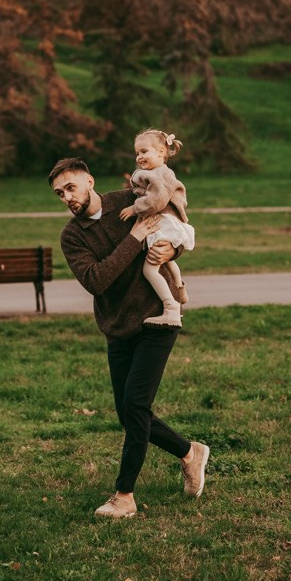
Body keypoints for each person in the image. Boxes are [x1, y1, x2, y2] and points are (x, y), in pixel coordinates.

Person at [49, 156, 209, 519]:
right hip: (117, 327)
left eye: (71, 187)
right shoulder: (72, 236)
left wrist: (173, 249)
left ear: (89, 182)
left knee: (136, 406)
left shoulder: (130, 200)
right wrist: (134, 238)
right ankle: (190, 452)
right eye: (60, 193)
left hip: (157, 318)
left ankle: (124, 495)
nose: (67, 197)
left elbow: (174, 223)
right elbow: (96, 280)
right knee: (128, 414)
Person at [119, 128, 195, 328]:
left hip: (163, 223)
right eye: (137, 153)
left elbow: (156, 200)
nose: (139, 157)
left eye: (144, 151)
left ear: (161, 152)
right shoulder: (159, 173)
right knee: (167, 260)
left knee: (149, 269)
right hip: (167, 223)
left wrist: (135, 208)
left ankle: (171, 307)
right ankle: (180, 290)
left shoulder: (159, 174)